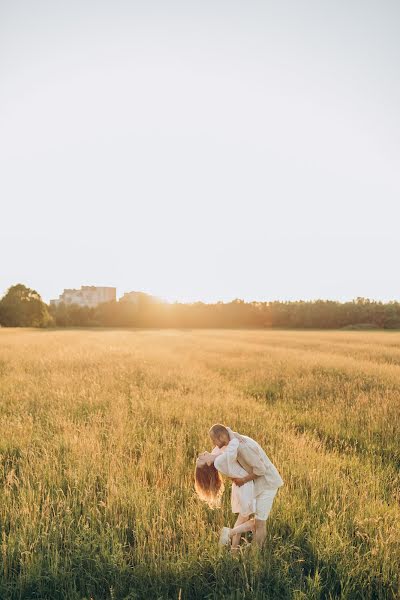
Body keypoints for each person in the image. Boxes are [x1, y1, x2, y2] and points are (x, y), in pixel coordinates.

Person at [209, 423, 284, 548]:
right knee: (245, 518)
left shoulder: (243, 447)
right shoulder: (231, 442)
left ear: (222, 437)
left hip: (267, 484)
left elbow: (261, 470)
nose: (214, 443)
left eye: (214, 440)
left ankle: (254, 558)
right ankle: (233, 548)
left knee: (260, 524)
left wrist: (243, 480)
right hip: (253, 485)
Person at [195, 439, 257, 549]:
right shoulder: (220, 460)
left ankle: (233, 552)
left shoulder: (214, 454)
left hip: (240, 487)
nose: (200, 455)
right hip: (245, 487)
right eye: (201, 459)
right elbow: (232, 448)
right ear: (208, 463)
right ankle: (228, 533)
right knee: (256, 522)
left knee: (242, 521)